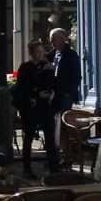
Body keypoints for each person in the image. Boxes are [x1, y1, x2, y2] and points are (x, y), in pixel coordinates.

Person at [13, 39, 59, 175]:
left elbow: (50, 82)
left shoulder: (47, 65)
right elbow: (22, 87)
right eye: (37, 52)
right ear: (31, 53)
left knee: (49, 135)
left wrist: (50, 91)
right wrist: (37, 93)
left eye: (42, 52)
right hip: (30, 106)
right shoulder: (25, 67)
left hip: (45, 105)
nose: (40, 54)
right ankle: (27, 168)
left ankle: (54, 168)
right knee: (29, 136)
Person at [48, 27, 83, 163]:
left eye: (53, 39)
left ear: (61, 39)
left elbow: (76, 76)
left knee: (63, 124)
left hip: (65, 95)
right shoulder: (52, 54)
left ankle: (65, 154)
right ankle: (57, 153)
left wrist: (69, 91)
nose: (51, 42)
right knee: (55, 125)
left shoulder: (71, 55)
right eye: (50, 39)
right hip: (54, 95)